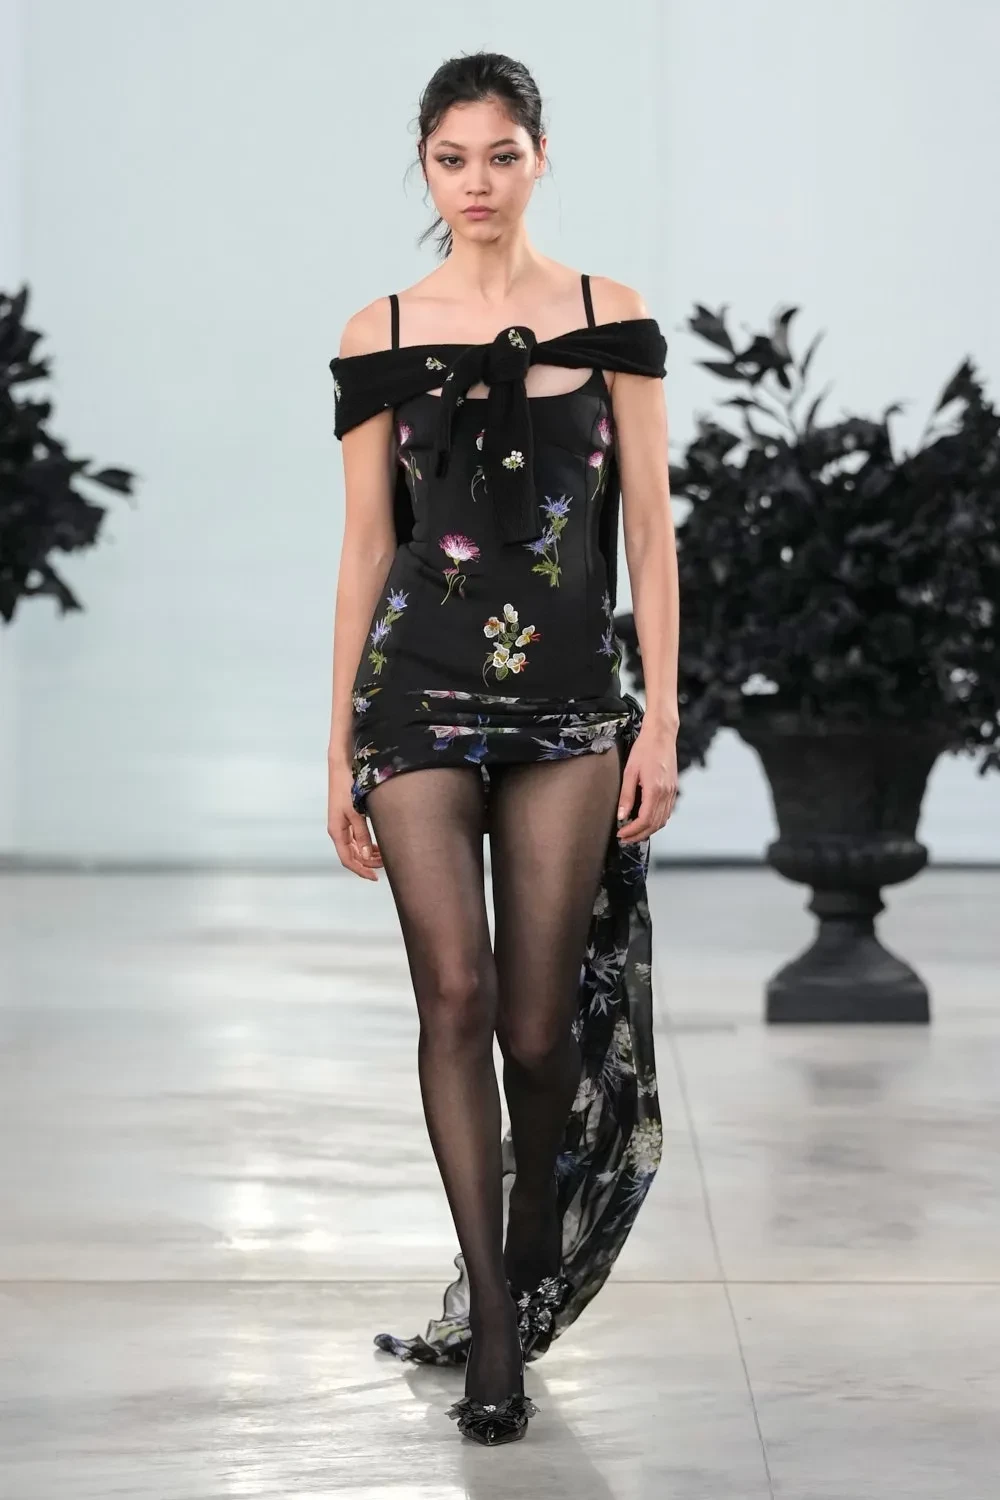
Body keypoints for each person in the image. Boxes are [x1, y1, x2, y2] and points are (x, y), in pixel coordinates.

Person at [326, 51, 678, 1447]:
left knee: (538, 1031)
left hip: (573, 704)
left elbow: (649, 534)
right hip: (415, 695)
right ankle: (492, 1315)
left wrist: (662, 714)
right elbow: (366, 547)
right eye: (452, 158)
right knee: (455, 997)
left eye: (502, 155)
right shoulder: (377, 331)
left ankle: (535, 1225)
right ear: (424, 164)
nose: (476, 182)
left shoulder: (611, 318)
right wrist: (336, 746)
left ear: (540, 158)